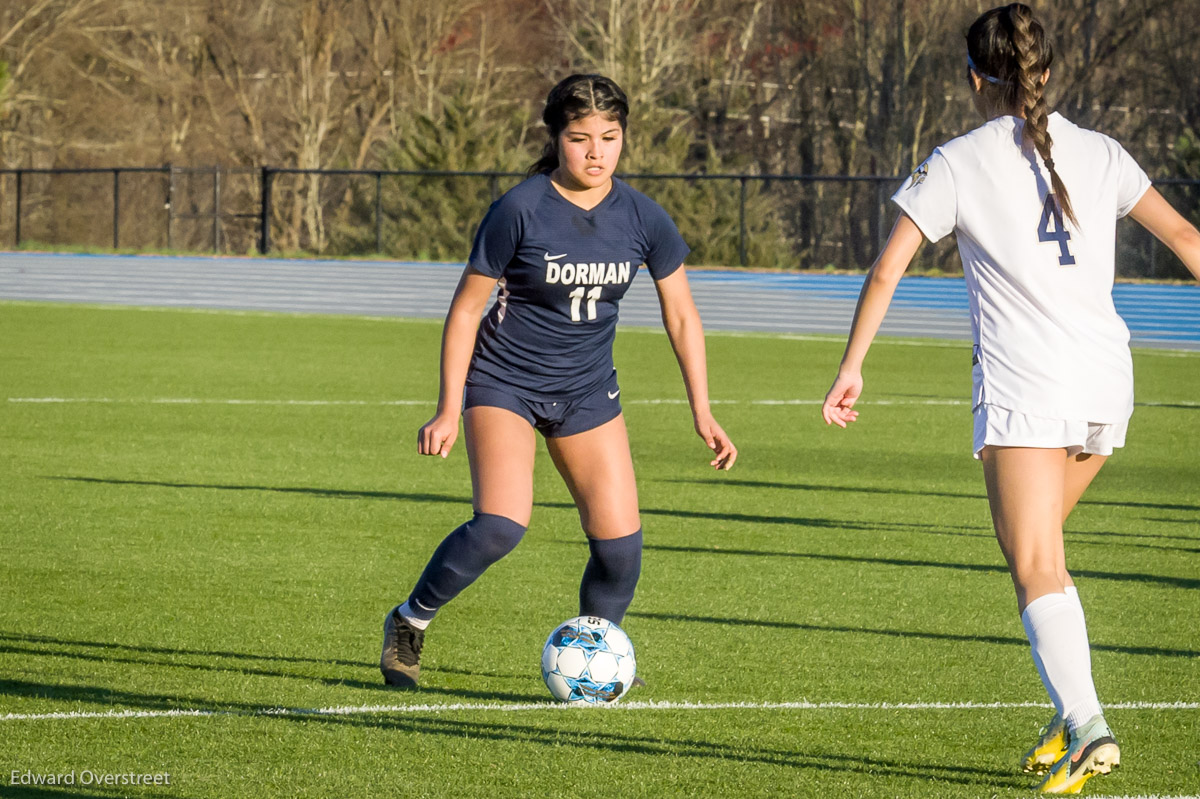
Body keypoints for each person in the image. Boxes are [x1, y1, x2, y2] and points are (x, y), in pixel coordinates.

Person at [820, 4, 1200, 794]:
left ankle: (1090, 726)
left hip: (1029, 382)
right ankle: (1070, 712)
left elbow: (888, 267)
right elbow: (1192, 242)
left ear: (973, 78)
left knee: (1032, 561)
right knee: (1041, 552)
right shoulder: (1104, 152)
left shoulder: (957, 160)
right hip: (1107, 380)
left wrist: (852, 364)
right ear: (1049, 71)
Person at [381, 73, 737, 693]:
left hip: (586, 391)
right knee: (500, 525)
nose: (596, 152)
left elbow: (682, 314)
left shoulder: (644, 217)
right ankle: (410, 622)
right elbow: (466, 309)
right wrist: (445, 407)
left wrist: (702, 412)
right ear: (555, 138)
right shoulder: (519, 209)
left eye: (610, 136)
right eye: (580, 138)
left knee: (620, 548)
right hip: (504, 383)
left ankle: (591, 660)